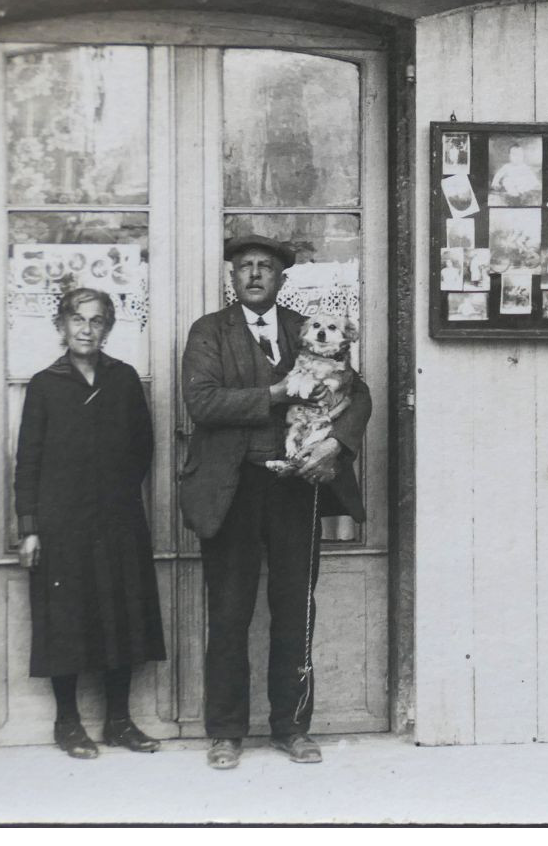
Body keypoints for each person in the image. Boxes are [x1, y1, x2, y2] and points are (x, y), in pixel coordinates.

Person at [180, 235, 372, 769]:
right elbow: (202, 401)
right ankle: (225, 732)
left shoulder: (302, 327)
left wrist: (337, 442)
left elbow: (358, 392)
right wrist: (278, 393)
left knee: (294, 610)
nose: (256, 274)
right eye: (246, 267)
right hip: (232, 489)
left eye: (267, 267)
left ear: (282, 278)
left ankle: (292, 727)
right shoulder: (209, 332)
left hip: (296, 487)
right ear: (233, 277)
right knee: (229, 611)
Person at [14, 287, 166, 759]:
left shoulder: (122, 380)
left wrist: (115, 491)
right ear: (61, 325)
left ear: (108, 328)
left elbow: (144, 446)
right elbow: (28, 460)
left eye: (96, 320)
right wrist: (30, 527)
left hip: (117, 518)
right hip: (61, 523)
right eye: (77, 319)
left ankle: (119, 722)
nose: (86, 328)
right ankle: (68, 723)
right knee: (67, 619)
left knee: (120, 617)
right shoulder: (45, 384)